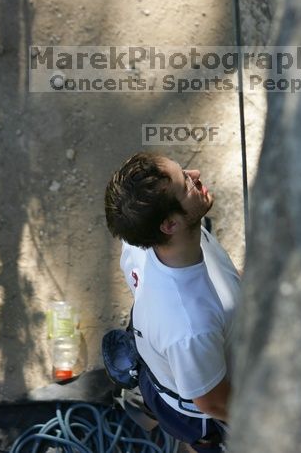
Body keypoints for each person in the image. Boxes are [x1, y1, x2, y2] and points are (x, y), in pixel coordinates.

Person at [104, 152, 241, 452]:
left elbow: (221, 280)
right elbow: (213, 401)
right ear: (170, 225)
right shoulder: (192, 327)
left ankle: (149, 406)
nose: (196, 173)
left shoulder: (143, 241)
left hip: (166, 361)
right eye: (187, 184)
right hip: (201, 406)